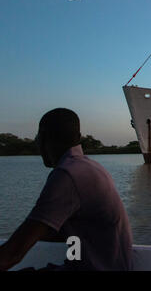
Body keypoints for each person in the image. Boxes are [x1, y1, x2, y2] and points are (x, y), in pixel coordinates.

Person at [0, 108, 133, 271]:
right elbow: (52, 231)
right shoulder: (91, 168)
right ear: (78, 138)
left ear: (42, 138)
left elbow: (12, 255)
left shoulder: (67, 175)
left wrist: (20, 240)